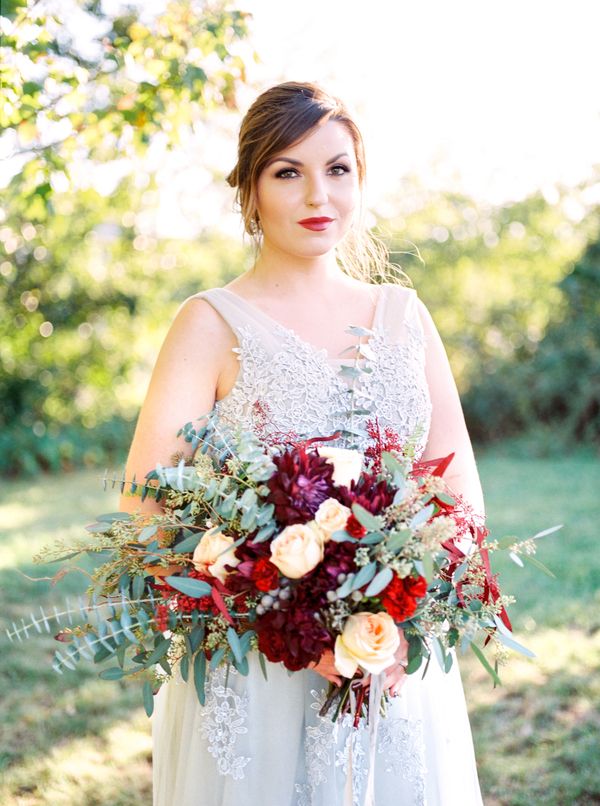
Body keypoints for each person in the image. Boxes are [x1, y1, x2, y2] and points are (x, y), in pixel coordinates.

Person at [120, 81, 484, 806]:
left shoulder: (407, 317)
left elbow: (460, 494)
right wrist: (289, 618)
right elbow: (146, 506)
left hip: (393, 657)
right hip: (259, 669)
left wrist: (412, 608)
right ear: (250, 191)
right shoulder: (210, 322)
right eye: (288, 172)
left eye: (338, 168)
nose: (319, 193)